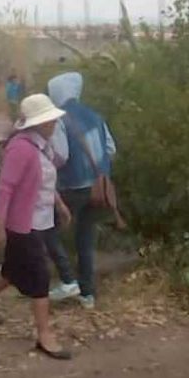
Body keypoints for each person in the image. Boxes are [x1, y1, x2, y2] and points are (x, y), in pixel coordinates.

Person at [0, 94, 73, 360]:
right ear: (37, 123)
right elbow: (5, 189)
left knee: (15, 268)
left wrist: (60, 204)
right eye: (50, 119)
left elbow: (45, 180)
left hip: (39, 219)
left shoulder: (42, 145)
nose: (54, 122)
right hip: (23, 224)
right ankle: (45, 335)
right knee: (40, 276)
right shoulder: (20, 148)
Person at [46, 72, 118, 310]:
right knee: (85, 239)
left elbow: (61, 155)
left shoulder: (59, 119)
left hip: (72, 187)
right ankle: (88, 295)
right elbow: (111, 149)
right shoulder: (95, 116)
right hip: (98, 187)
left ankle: (67, 281)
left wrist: (47, 164)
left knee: (48, 231)